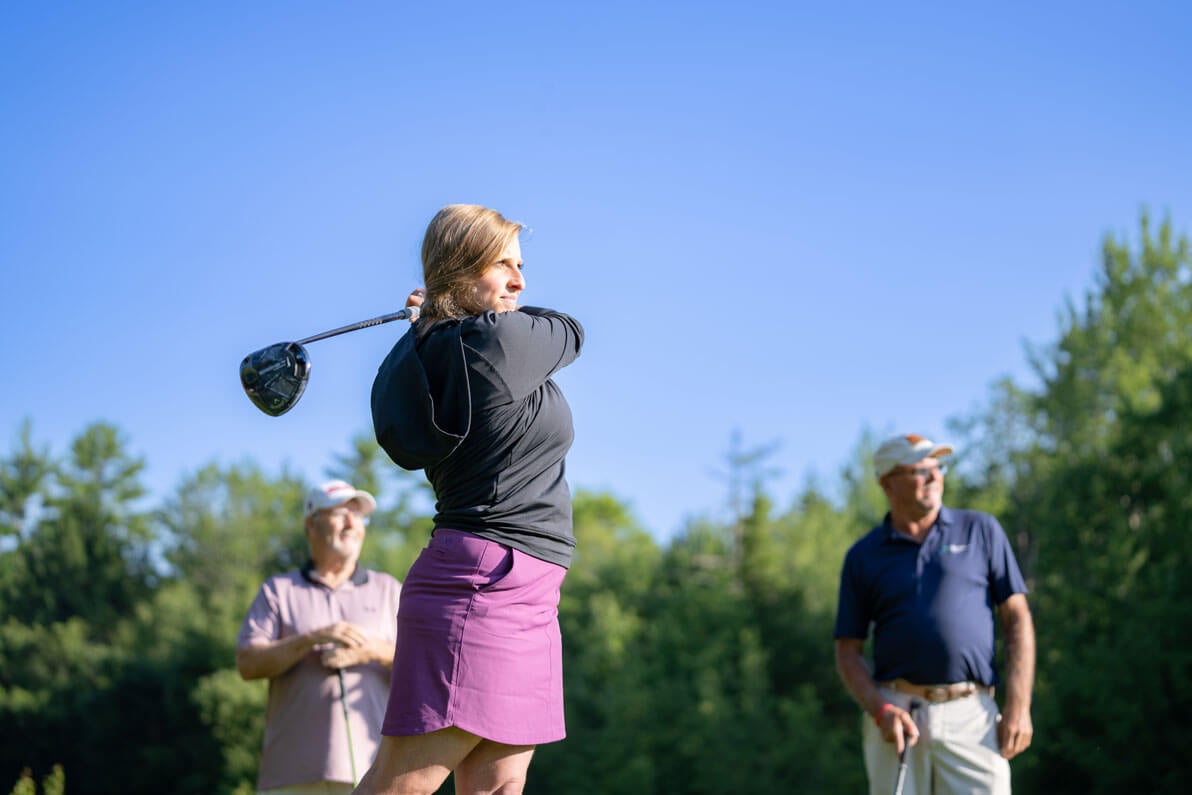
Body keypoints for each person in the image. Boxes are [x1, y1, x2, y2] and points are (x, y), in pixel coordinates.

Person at [353, 204, 584, 795]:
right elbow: (570, 329)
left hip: (530, 591)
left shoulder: (441, 343)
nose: (520, 281)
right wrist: (437, 310)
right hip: (481, 584)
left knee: (500, 786)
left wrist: (432, 312)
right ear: (460, 268)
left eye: (521, 265)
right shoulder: (493, 342)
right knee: (401, 785)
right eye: (502, 264)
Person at [833, 434, 1035, 795]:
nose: (933, 477)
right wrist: (881, 711)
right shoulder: (863, 556)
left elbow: (1016, 616)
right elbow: (847, 651)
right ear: (887, 483)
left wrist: (1018, 706)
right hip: (896, 714)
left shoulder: (980, 530)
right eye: (919, 470)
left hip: (973, 713)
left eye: (937, 467)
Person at [237, 479, 402, 795]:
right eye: (341, 512)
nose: (352, 522)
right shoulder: (278, 591)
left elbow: (424, 669)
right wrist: (308, 639)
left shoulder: (389, 590)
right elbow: (247, 664)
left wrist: (374, 651)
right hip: (290, 774)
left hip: (375, 773)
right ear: (311, 525)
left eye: (358, 514)